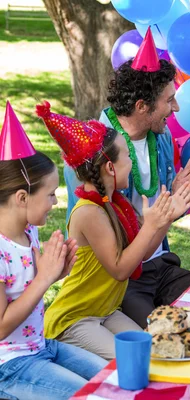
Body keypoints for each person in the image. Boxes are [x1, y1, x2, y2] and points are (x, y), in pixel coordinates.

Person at [63, 30, 190, 328]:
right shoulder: (94, 157)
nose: (177, 108)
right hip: (121, 279)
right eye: (170, 100)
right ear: (142, 106)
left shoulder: (162, 136)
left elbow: (157, 209)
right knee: (166, 335)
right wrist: (168, 212)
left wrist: (177, 191)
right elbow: (116, 244)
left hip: (160, 263)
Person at [39, 103, 190, 359]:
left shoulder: (114, 204)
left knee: (154, 351)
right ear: (110, 167)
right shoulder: (90, 211)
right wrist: (153, 224)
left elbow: (140, 254)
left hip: (105, 311)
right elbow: (121, 269)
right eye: (127, 156)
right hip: (75, 318)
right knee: (138, 359)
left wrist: (166, 216)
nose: (132, 160)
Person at [0, 102, 106, 399]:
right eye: (50, 194)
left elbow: (25, 289)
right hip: (11, 365)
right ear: (22, 197)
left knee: (113, 380)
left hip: (42, 345)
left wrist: (56, 273)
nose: (56, 202)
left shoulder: (28, 230)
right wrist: (43, 279)